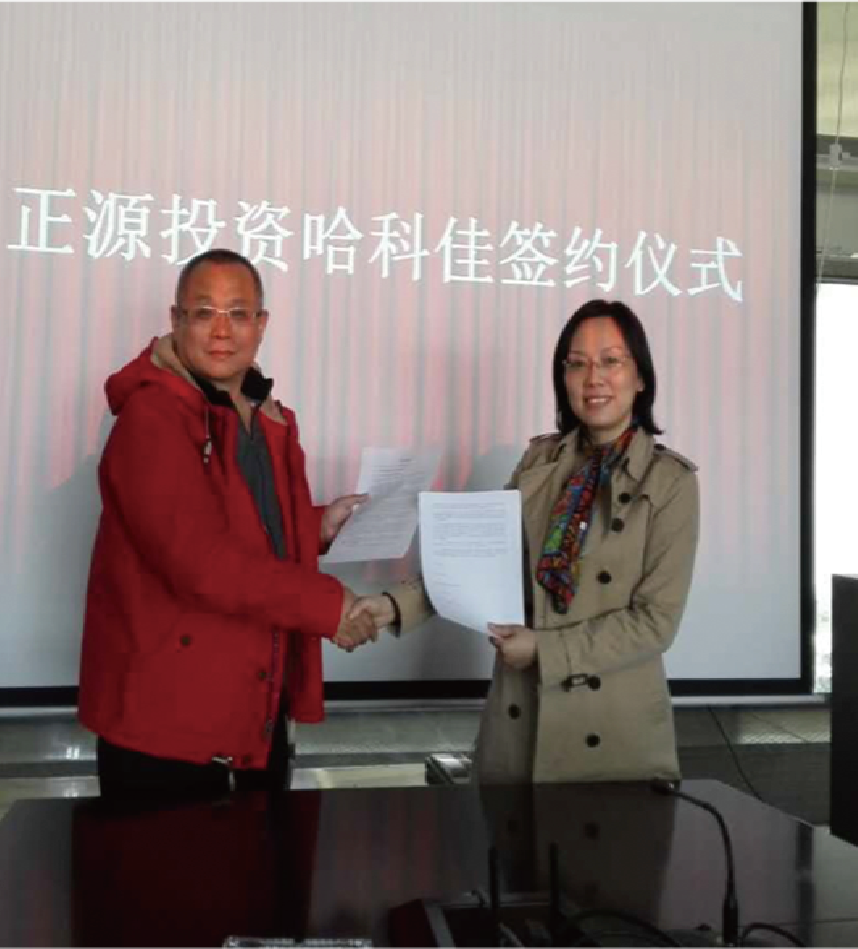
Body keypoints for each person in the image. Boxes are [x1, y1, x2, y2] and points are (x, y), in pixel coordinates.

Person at [353, 300, 699, 783]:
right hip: (521, 722)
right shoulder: (540, 463)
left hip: (612, 733)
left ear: (640, 377)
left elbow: (655, 623)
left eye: (611, 361)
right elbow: (483, 564)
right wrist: (391, 606)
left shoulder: (670, 481)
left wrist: (545, 650)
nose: (593, 378)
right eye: (576, 364)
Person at [78, 248, 377, 801]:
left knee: (262, 857)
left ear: (261, 325)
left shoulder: (259, 413)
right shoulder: (152, 418)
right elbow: (199, 560)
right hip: (167, 727)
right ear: (176, 321)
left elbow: (246, 526)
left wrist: (316, 528)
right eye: (204, 313)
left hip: (251, 711)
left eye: (238, 314)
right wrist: (330, 606)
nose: (222, 331)